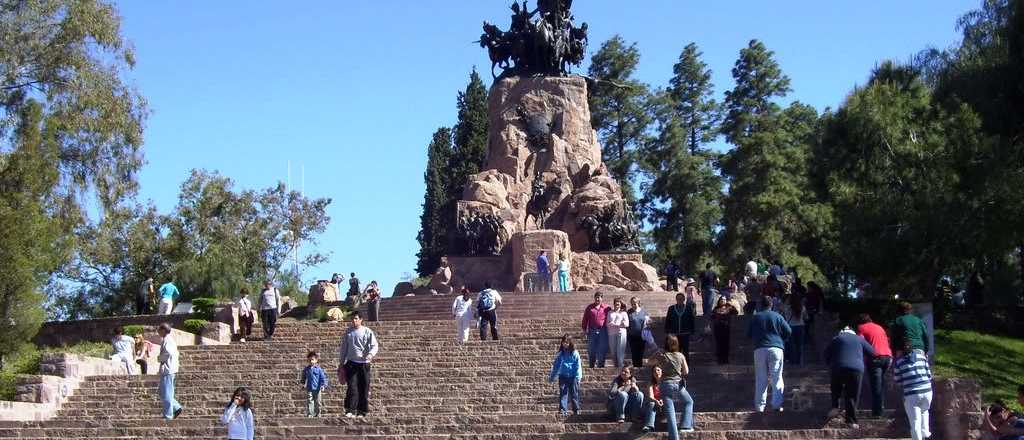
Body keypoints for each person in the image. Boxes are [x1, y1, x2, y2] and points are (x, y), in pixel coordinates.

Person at [824, 326, 876, 428]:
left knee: (836, 387)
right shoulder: (859, 339)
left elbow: (826, 354)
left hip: (837, 367)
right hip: (856, 368)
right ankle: (851, 421)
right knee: (852, 394)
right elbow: (872, 352)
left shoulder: (836, 339)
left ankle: (835, 406)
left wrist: (831, 364)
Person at [747, 299, 791, 412]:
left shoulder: (756, 317)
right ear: (771, 305)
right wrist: (781, 340)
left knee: (761, 378)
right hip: (776, 348)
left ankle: (760, 406)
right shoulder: (777, 316)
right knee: (777, 377)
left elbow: (748, 334)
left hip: (760, 349)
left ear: (761, 305)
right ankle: (777, 405)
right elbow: (788, 331)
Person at [648, 335, 695, 436]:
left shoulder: (662, 354)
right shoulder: (680, 355)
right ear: (676, 343)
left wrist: (657, 353)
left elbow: (649, 361)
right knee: (689, 402)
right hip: (678, 385)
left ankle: (674, 438)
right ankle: (685, 426)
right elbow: (686, 371)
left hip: (665, 385)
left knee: (670, 413)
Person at [338, 311, 379, 418]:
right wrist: (341, 363)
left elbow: (374, 345)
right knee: (352, 387)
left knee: (364, 388)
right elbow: (344, 349)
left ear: (361, 320)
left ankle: (362, 411)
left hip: (364, 364)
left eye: (356, 318)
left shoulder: (367, 331)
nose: (354, 320)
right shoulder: (348, 332)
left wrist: (370, 354)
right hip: (351, 364)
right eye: (353, 318)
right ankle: (349, 410)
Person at [892, 341, 933, 440]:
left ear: (901, 350)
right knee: (924, 412)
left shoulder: (899, 363)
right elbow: (929, 375)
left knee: (915, 421)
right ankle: (926, 435)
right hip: (927, 391)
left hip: (912, 394)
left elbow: (898, 381)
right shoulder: (922, 357)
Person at [856, 313, 893, 417]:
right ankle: (881, 406)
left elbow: (859, 343)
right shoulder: (879, 327)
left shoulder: (861, 328)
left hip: (876, 358)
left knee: (876, 385)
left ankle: (877, 412)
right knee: (880, 384)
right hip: (888, 357)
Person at [548, 334, 582, 417]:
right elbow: (556, 366)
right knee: (563, 393)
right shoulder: (560, 354)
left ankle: (576, 409)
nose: (565, 344)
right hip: (563, 376)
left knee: (574, 394)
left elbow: (578, 366)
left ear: (570, 343)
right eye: (564, 342)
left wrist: (578, 377)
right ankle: (563, 409)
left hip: (573, 376)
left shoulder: (575, 353)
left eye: (567, 342)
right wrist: (552, 377)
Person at [157, 323, 183, 420]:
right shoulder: (168, 340)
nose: (158, 332)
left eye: (159, 330)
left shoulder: (167, 340)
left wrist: (159, 359)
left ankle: (168, 415)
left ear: (163, 330)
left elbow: (167, 353)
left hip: (168, 370)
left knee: (166, 393)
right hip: (170, 369)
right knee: (164, 393)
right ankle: (176, 407)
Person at [664, 292, 696, 361]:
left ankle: (686, 366)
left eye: (681, 299)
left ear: (684, 299)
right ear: (676, 300)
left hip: (685, 333)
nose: (680, 300)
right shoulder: (671, 308)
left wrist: (692, 331)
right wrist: (667, 331)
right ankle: (676, 365)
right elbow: (668, 320)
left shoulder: (688, 308)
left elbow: (692, 320)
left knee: (685, 351)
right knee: (675, 351)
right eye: (678, 299)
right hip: (674, 334)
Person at [581, 292, 610, 368]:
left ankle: (601, 366)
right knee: (591, 350)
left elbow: (613, 314)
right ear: (594, 298)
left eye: (599, 297)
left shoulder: (606, 308)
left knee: (602, 349)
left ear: (602, 298)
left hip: (603, 331)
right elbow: (585, 319)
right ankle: (591, 366)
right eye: (596, 297)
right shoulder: (589, 308)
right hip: (592, 331)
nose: (597, 299)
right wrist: (584, 330)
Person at [710, 296, 739, 364]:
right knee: (719, 344)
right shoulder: (716, 309)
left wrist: (731, 305)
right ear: (719, 301)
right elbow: (712, 316)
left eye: (724, 300)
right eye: (722, 299)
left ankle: (726, 359)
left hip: (726, 328)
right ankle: (719, 359)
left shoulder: (729, 308)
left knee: (726, 344)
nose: (723, 301)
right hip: (718, 328)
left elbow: (736, 312)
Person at [781, 293, 808, 365]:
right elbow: (806, 318)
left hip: (790, 327)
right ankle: (799, 361)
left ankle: (792, 361)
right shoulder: (802, 307)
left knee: (791, 344)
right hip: (801, 326)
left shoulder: (787, 308)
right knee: (800, 345)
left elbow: (782, 316)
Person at [300, 351, 328, 418]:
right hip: (309, 388)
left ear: (316, 360)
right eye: (309, 360)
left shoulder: (319, 369)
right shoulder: (306, 369)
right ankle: (310, 413)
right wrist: (302, 384)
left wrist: (323, 385)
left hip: (317, 388)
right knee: (310, 401)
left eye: (312, 359)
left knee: (318, 402)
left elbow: (323, 378)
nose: (311, 361)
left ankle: (318, 413)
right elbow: (303, 377)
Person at [626, 296, 650, 368]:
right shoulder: (629, 312)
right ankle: (635, 367)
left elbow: (647, 323)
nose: (633, 305)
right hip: (632, 336)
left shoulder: (644, 312)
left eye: (635, 303)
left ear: (638, 303)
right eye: (632, 303)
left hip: (641, 336)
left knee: (640, 352)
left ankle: (640, 367)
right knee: (634, 352)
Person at [641, 365, 664, 433]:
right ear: (652, 374)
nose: (656, 372)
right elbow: (651, 396)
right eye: (654, 371)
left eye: (658, 370)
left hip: (664, 405)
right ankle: (649, 426)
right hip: (654, 405)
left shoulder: (666, 382)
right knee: (651, 403)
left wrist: (662, 400)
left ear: (662, 371)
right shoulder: (651, 383)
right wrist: (656, 401)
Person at [606, 298, 629, 368]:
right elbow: (607, 323)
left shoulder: (624, 313)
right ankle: (616, 366)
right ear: (614, 303)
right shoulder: (610, 312)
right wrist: (611, 324)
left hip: (621, 333)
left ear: (620, 304)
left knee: (620, 352)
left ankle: (620, 367)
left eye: (618, 302)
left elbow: (627, 324)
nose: (617, 304)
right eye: (616, 302)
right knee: (613, 352)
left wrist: (619, 324)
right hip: (611, 333)